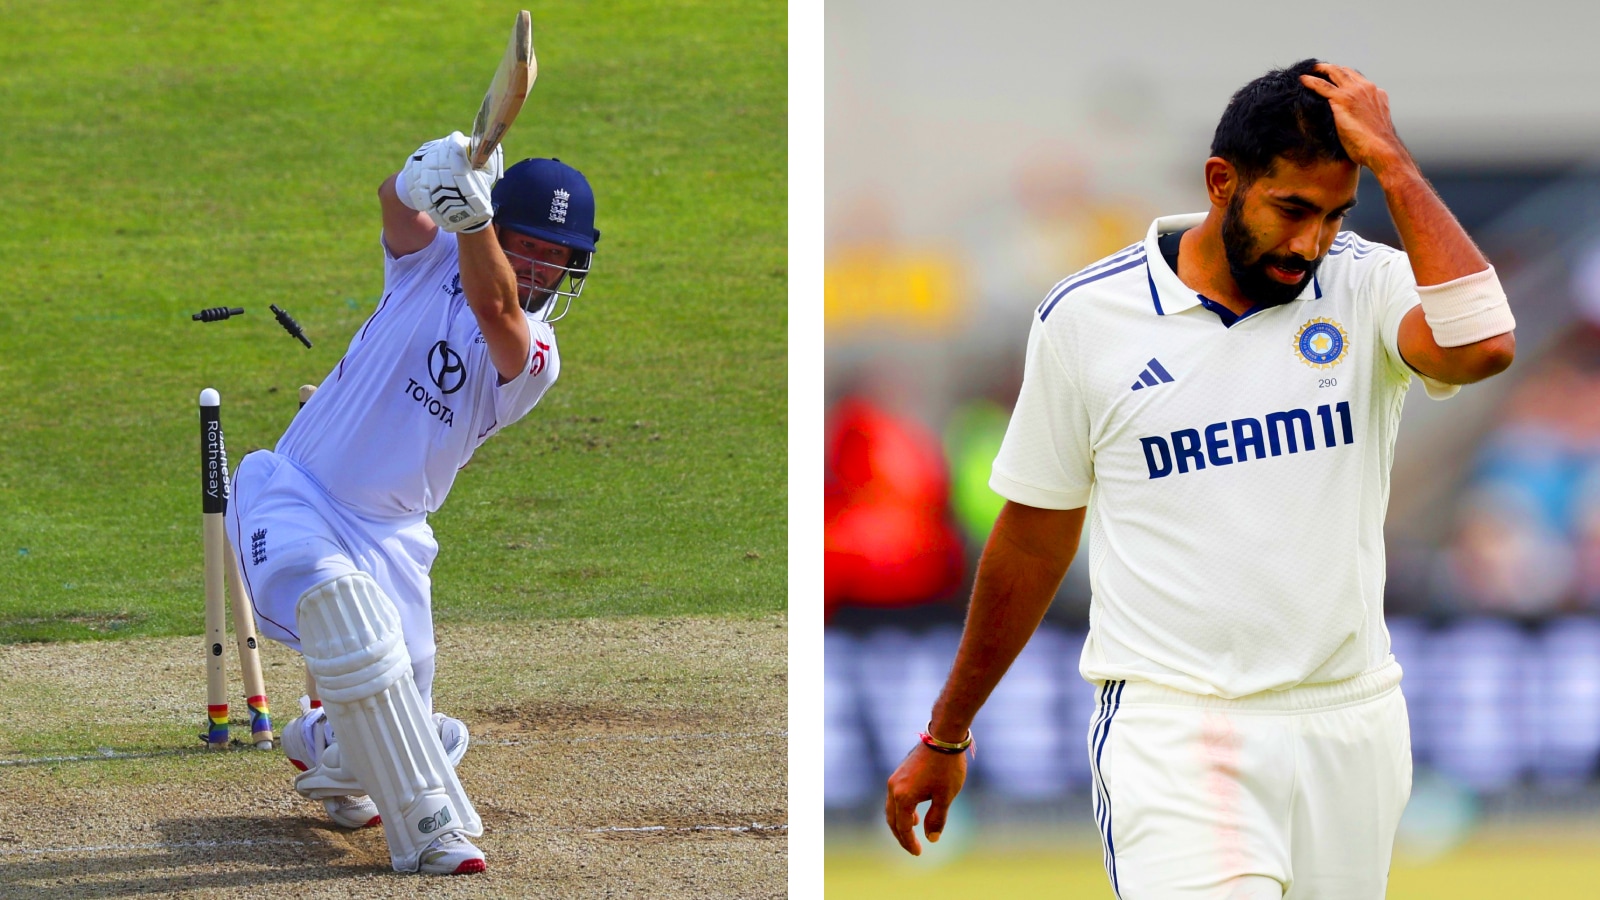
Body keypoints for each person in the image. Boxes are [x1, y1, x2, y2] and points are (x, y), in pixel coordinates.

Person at [885, 60, 1516, 898]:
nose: (1310, 243)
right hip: (1179, 727)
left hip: (1352, 722)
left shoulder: (1364, 282)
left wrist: (1395, 163)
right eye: (1291, 208)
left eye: (1333, 215)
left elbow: (1484, 347)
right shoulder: (1087, 319)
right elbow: (1034, 536)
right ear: (1223, 182)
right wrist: (947, 733)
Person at [225, 132, 599, 875]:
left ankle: (320, 746)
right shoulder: (431, 261)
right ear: (499, 223)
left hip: (396, 540)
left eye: (555, 257)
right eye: (527, 245)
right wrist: (429, 168)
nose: (539, 268)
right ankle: (432, 835)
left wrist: (477, 224)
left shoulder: (540, 357)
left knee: (390, 739)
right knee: (349, 623)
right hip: (296, 493)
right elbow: (393, 208)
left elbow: (496, 313)